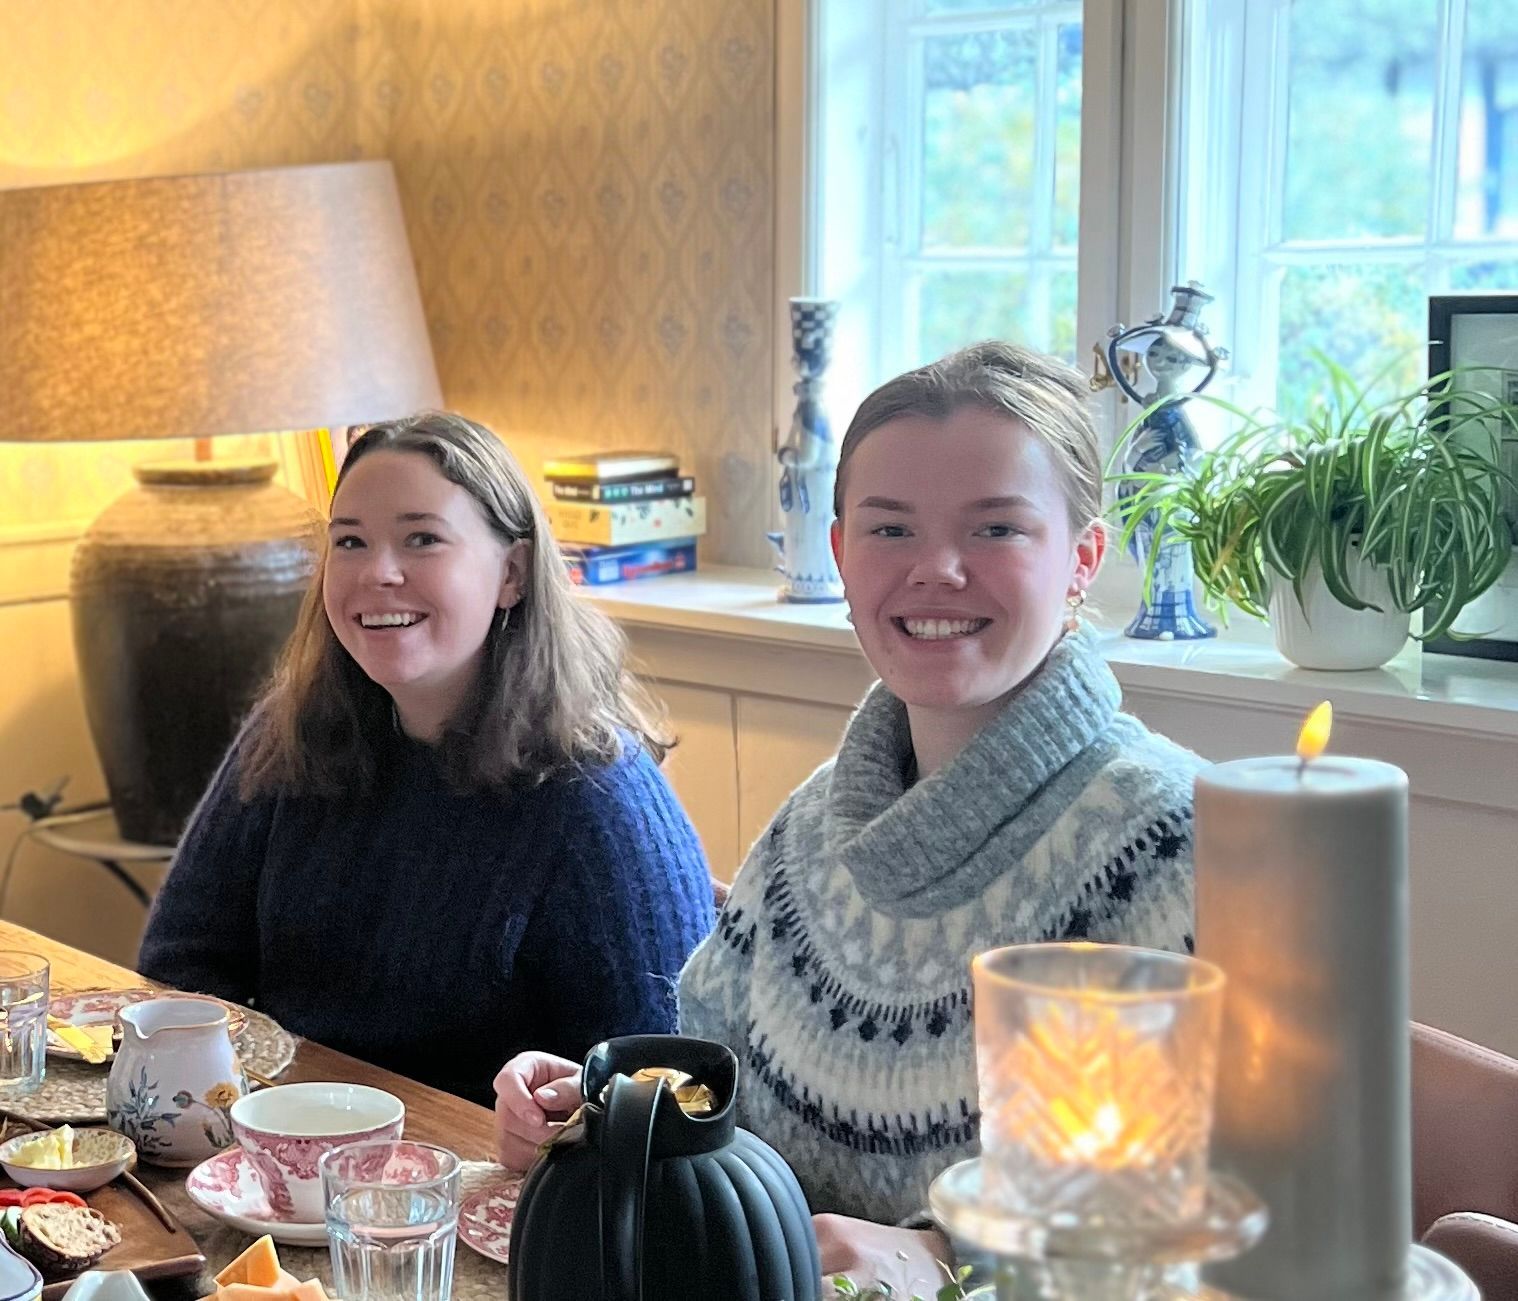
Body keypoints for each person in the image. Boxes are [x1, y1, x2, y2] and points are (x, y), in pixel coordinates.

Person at [493, 342, 1205, 1293]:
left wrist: (945, 1252)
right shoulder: (806, 830)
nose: (937, 569)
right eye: (891, 529)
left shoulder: (1170, 838)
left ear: (1083, 559)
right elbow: (719, 1091)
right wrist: (604, 1106)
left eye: (995, 529)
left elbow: (1169, 1213)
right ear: (837, 553)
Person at [139, 412, 714, 1106]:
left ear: (513, 572)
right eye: (349, 541)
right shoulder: (288, 732)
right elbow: (181, 972)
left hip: (491, 1185)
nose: (378, 572)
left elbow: (666, 1096)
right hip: (279, 1151)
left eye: (422, 539)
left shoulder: (598, 799)